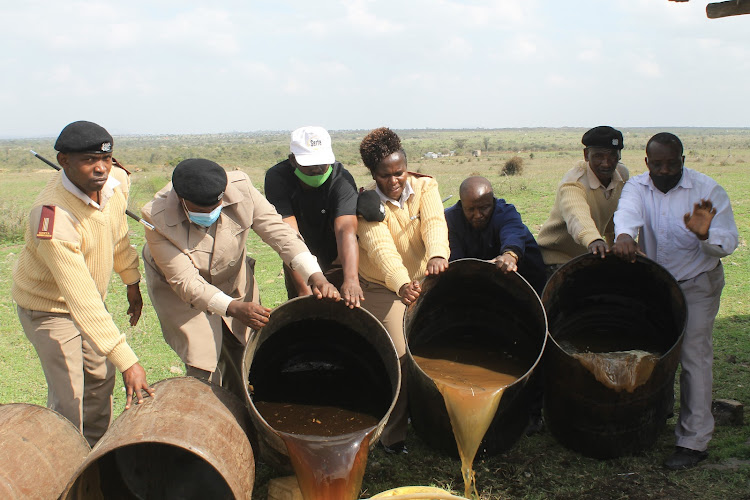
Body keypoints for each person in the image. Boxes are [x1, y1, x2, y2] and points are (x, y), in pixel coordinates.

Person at [141, 158, 341, 397]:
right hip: (183, 295)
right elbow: (186, 283)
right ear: (183, 201)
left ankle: (243, 409)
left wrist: (314, 274)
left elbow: (280, 234)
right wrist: (233, 307)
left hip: (231, 279)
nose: (211, 214)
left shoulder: (241, 188)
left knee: (244, 351)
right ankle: (208, 415)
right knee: (202, 360)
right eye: (202, 210)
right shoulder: (157, 216)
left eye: (216, 205)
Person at [12, 120, 154, 446]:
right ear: (64, 160)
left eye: (106, 158)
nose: (101, 168)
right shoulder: (51, 217)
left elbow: (116, 235)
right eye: (89, 160)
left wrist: (131, 280)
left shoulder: (115, 183)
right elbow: (81, 301)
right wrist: (129, 361)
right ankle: (64, 467)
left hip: (89, 298)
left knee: (102, 379)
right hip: (48, 307)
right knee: (69, 395)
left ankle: (93, 456)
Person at [612, 132, 738, 470]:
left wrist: (705, 234)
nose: (666, 170)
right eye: (658, 164)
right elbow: (627, 213)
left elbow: (729, 242)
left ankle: (693, 442)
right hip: (658, 284)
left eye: (673, 163)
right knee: (656, 350)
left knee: (694, 356)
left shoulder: (706, 191)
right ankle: (657, 416)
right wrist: (624, 235)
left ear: (683, 159)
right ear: (647, 163)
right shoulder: (638, 187)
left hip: (699, 281)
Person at [357, 127, 450, 453]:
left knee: (437, 346)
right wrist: (400, 285)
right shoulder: (367, 203)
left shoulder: (426, 186)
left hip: (421, 280)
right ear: (373, 175)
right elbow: (381, 250)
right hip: (383, 287)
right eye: (386, 176)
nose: (395, 181)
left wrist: (438, 254)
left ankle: (435, 421)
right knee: (400, 358)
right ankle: (392, 437)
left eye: (400, 172)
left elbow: (435, 222)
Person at [265, 126, 362, 307]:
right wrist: (304, 290)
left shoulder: (341, 179)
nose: (317, 169)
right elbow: (288, 234)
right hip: (297, 258)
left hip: (337, 256)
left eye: (322, 162)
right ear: (293, 160)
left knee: (344, 312)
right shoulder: (278, 179)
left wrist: (351, 280)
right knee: (304, 309)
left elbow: (345, 229)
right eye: (310, 164)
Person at [537, 126, 629, 278]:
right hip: (557, 258)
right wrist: (593, 239)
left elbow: (615, 217)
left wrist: (616, 253)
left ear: (619, 155)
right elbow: (577, 215)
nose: (606, 163)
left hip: (591, 255)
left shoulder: (621, 175)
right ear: (586, 155)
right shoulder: (573, 183)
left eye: (612, 156)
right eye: (598, 156)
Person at [444, 176, 546, 295]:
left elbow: (513, 233)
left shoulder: (506, 213)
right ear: (461, 205)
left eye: (484, 208)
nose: (477, 215)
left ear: (493, 201)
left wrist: (510, 256)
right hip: (476, 287)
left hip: (525, 286)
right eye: (470, 209)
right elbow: (457, 261)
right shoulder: (450, 220)